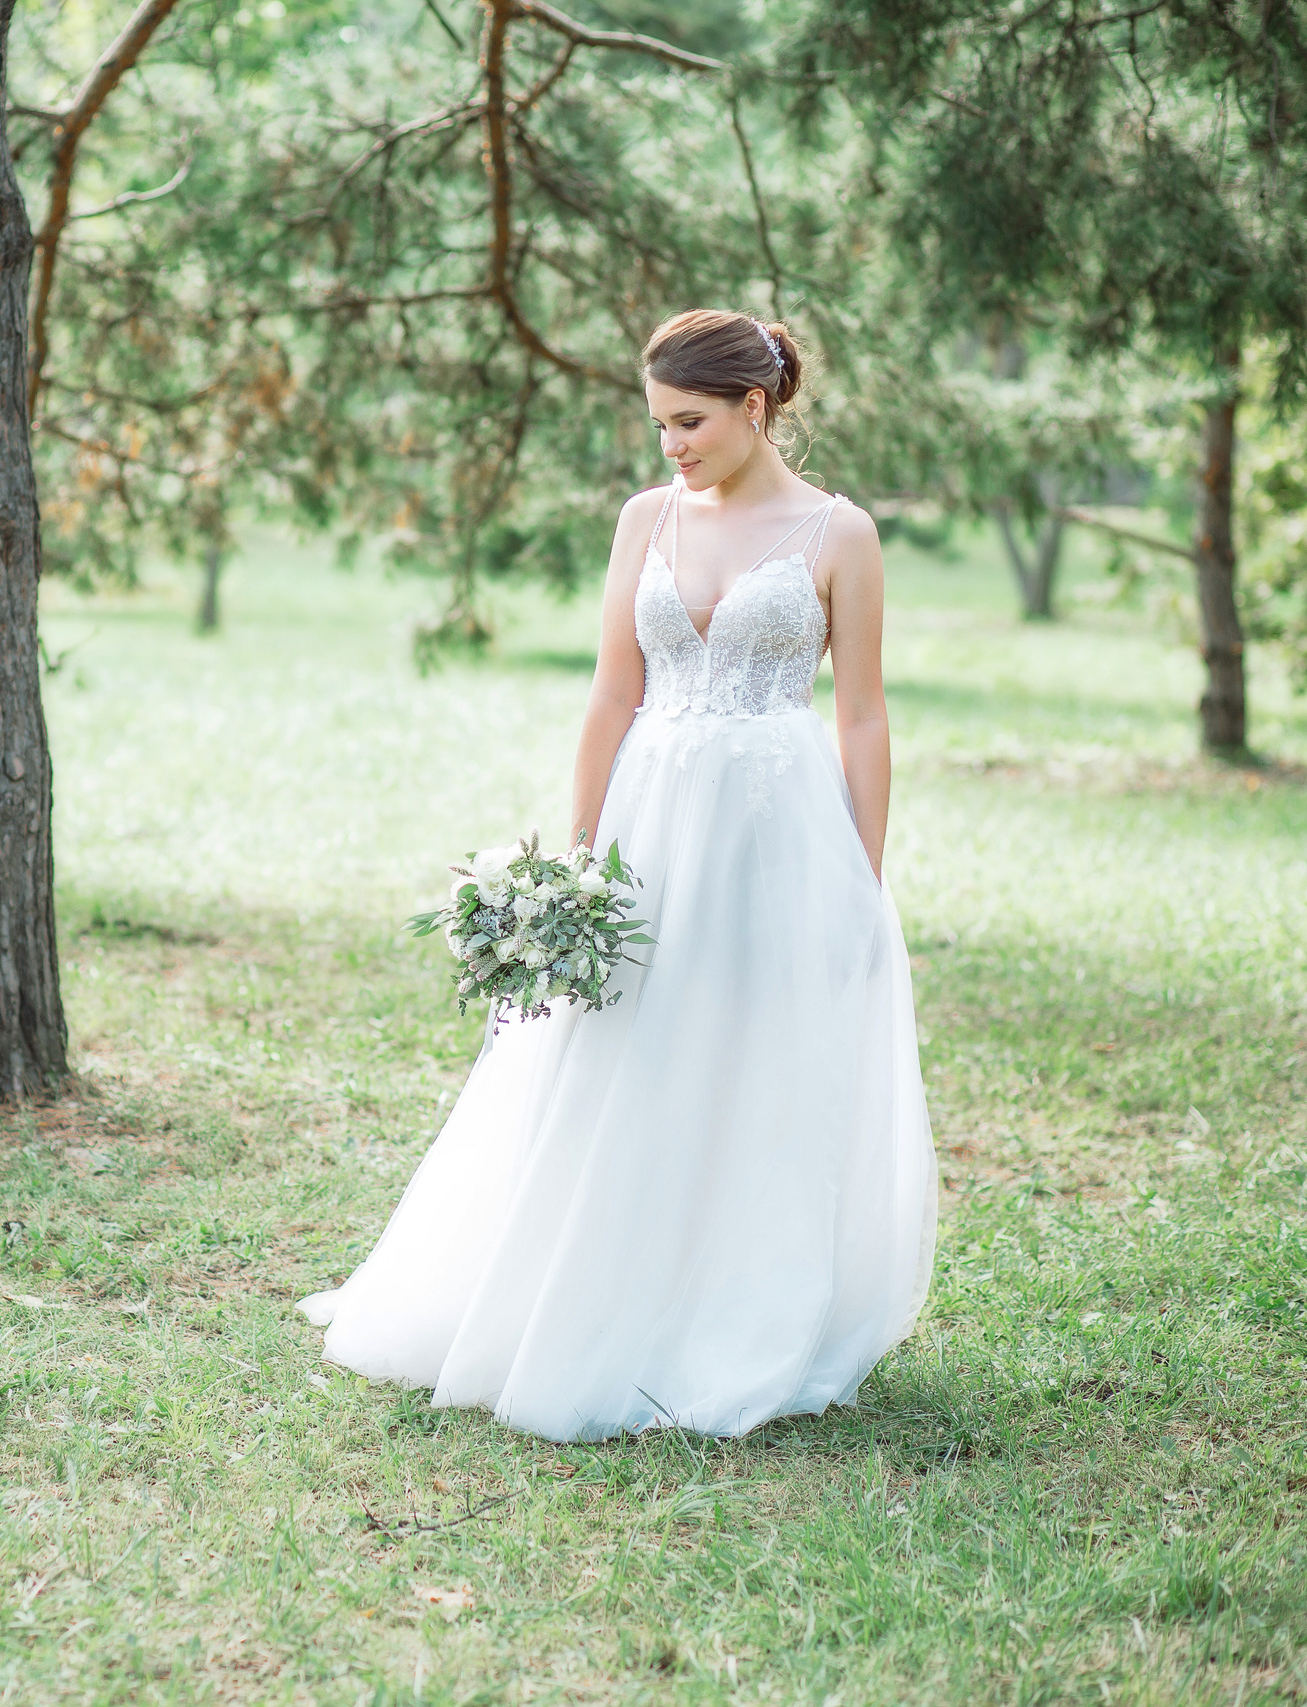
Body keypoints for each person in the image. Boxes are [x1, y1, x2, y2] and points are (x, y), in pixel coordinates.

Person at [299, 310, 938, 1442]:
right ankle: (576, 1289)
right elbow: (610, 694)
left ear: (755, 405)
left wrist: (859, 875)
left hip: (772, 829)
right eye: (657, 427)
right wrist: (575, 863)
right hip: (649, 818)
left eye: (688, 423)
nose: (671, 448)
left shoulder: (841, 535)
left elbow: (864, 716)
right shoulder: (647, 519)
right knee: (615, 1047)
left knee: (744, 1054)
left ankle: (727, 1311)